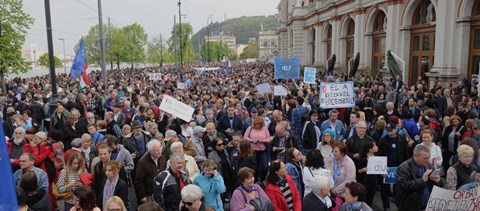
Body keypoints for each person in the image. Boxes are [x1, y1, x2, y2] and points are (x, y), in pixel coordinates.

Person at [396, 144, 443, 211]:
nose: (427, 160)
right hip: (410, 207)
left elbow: (438, 187)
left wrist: (438, 182)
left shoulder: (429, 166)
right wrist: (422, 180)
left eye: (429, 158)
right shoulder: (403, 168)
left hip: (428, 207)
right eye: (425, 158)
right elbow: (403, 186)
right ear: (415, 156)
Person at [135, 139, 165, 204]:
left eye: (160, 149)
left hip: (161, 192)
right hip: (149, 194)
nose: (159, 152)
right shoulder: (142, 162)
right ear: (151, 152)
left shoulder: (161, 157)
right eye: (157, 151)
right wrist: (142, 196)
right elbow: (139, 181)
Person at [243, 116, 271, 182]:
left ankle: (262, 179)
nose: (257, 126)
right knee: (255, 166)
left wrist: (263, 140)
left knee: (265, 166)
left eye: (259, 124)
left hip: (262, 150)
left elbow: (269, 139)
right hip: (253, 150)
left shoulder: (265, 129)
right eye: (256, 124)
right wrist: (252, 140)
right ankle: (254, 180)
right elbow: (245, 137)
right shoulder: (250, 128)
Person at [356, 141, 378, 207]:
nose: (376, 147)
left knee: (370, 198)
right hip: (364, 181)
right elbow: (357, 171)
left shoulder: (376, 157)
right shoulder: (363, 159)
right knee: (363, 198)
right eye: (374, 146)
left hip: (374, 181)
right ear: (370, 149)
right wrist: (362, 170)